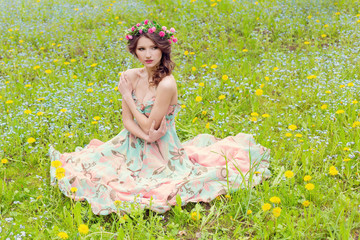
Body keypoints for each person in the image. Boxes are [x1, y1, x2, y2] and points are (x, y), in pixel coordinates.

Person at [49, 20, 271, 215]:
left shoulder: (166, 84)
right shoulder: (129, 76)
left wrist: (127, 97)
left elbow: (149, 126)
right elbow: (128, 123)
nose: (148, 54)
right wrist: (144, 137)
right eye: (142, 49)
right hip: (131, 139)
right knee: (92, 170)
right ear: (134, 52)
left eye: (154, 48)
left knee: (149, 184)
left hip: (163, 148)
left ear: (163, 50)